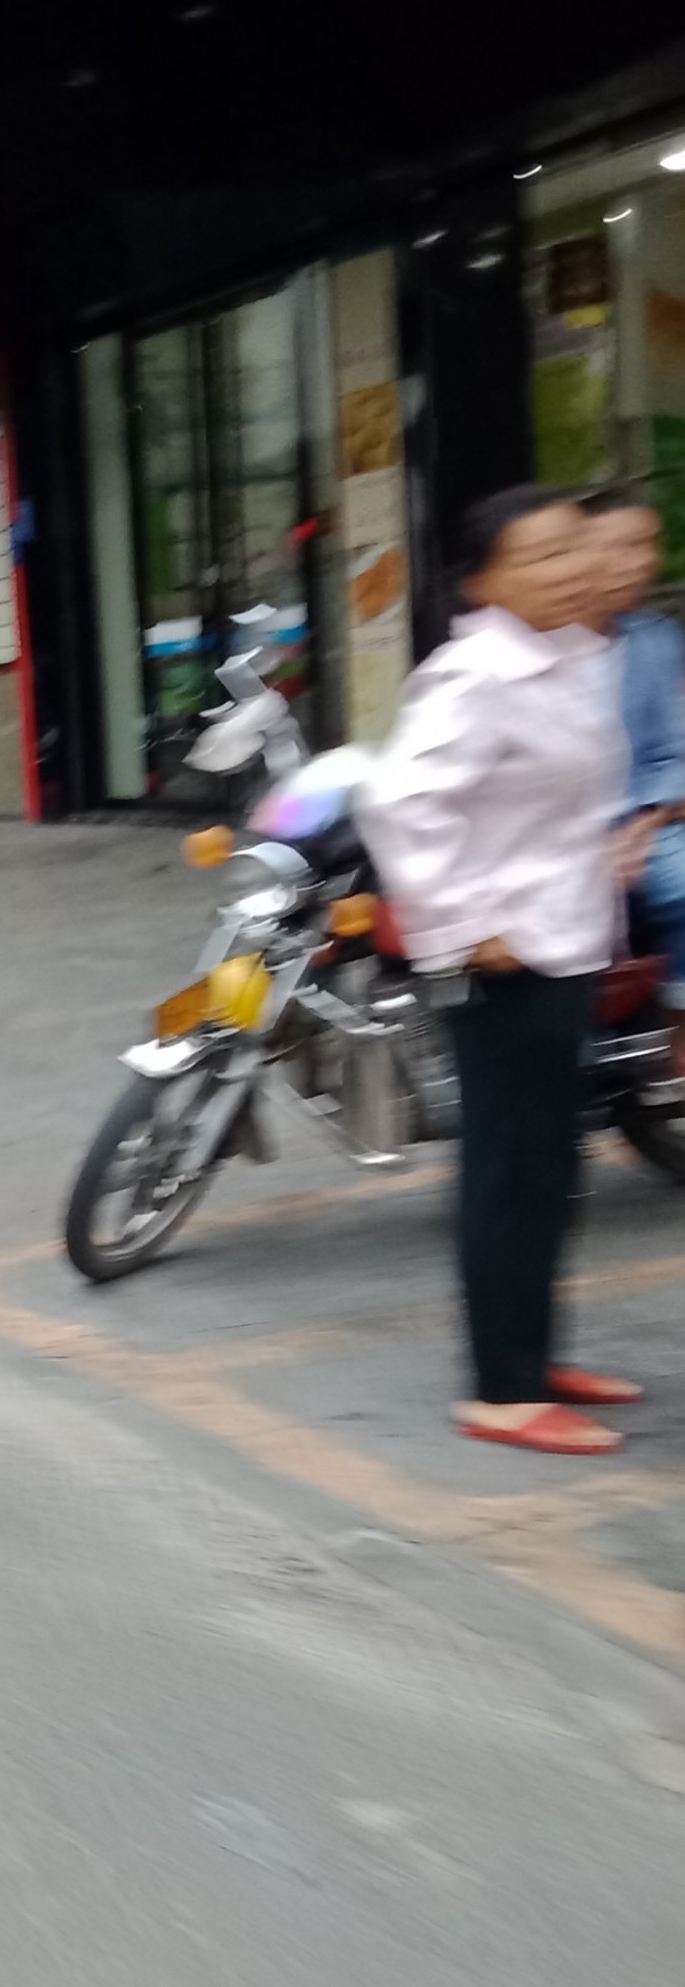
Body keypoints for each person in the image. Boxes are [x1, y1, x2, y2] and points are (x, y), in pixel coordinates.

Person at [360, 484, 639, 1457]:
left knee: (551, 1162)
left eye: (576, 547)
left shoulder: (567, 658)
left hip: (563, 937)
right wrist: (466, 924)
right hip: (506, 958)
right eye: (543, 555)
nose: (573, 569)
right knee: (510, 1168)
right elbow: (399, 802)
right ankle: (502, 1390)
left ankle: (533, 1355)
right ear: (482, 582)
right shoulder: (475, 674)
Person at [588, 489, 685, 1091]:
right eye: (622, 546)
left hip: (650, 822)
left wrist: (645, 825)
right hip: (555, 836)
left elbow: (675, 751)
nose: (641, 562)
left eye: (647, 546)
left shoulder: (655, 640)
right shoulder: (530, 654)